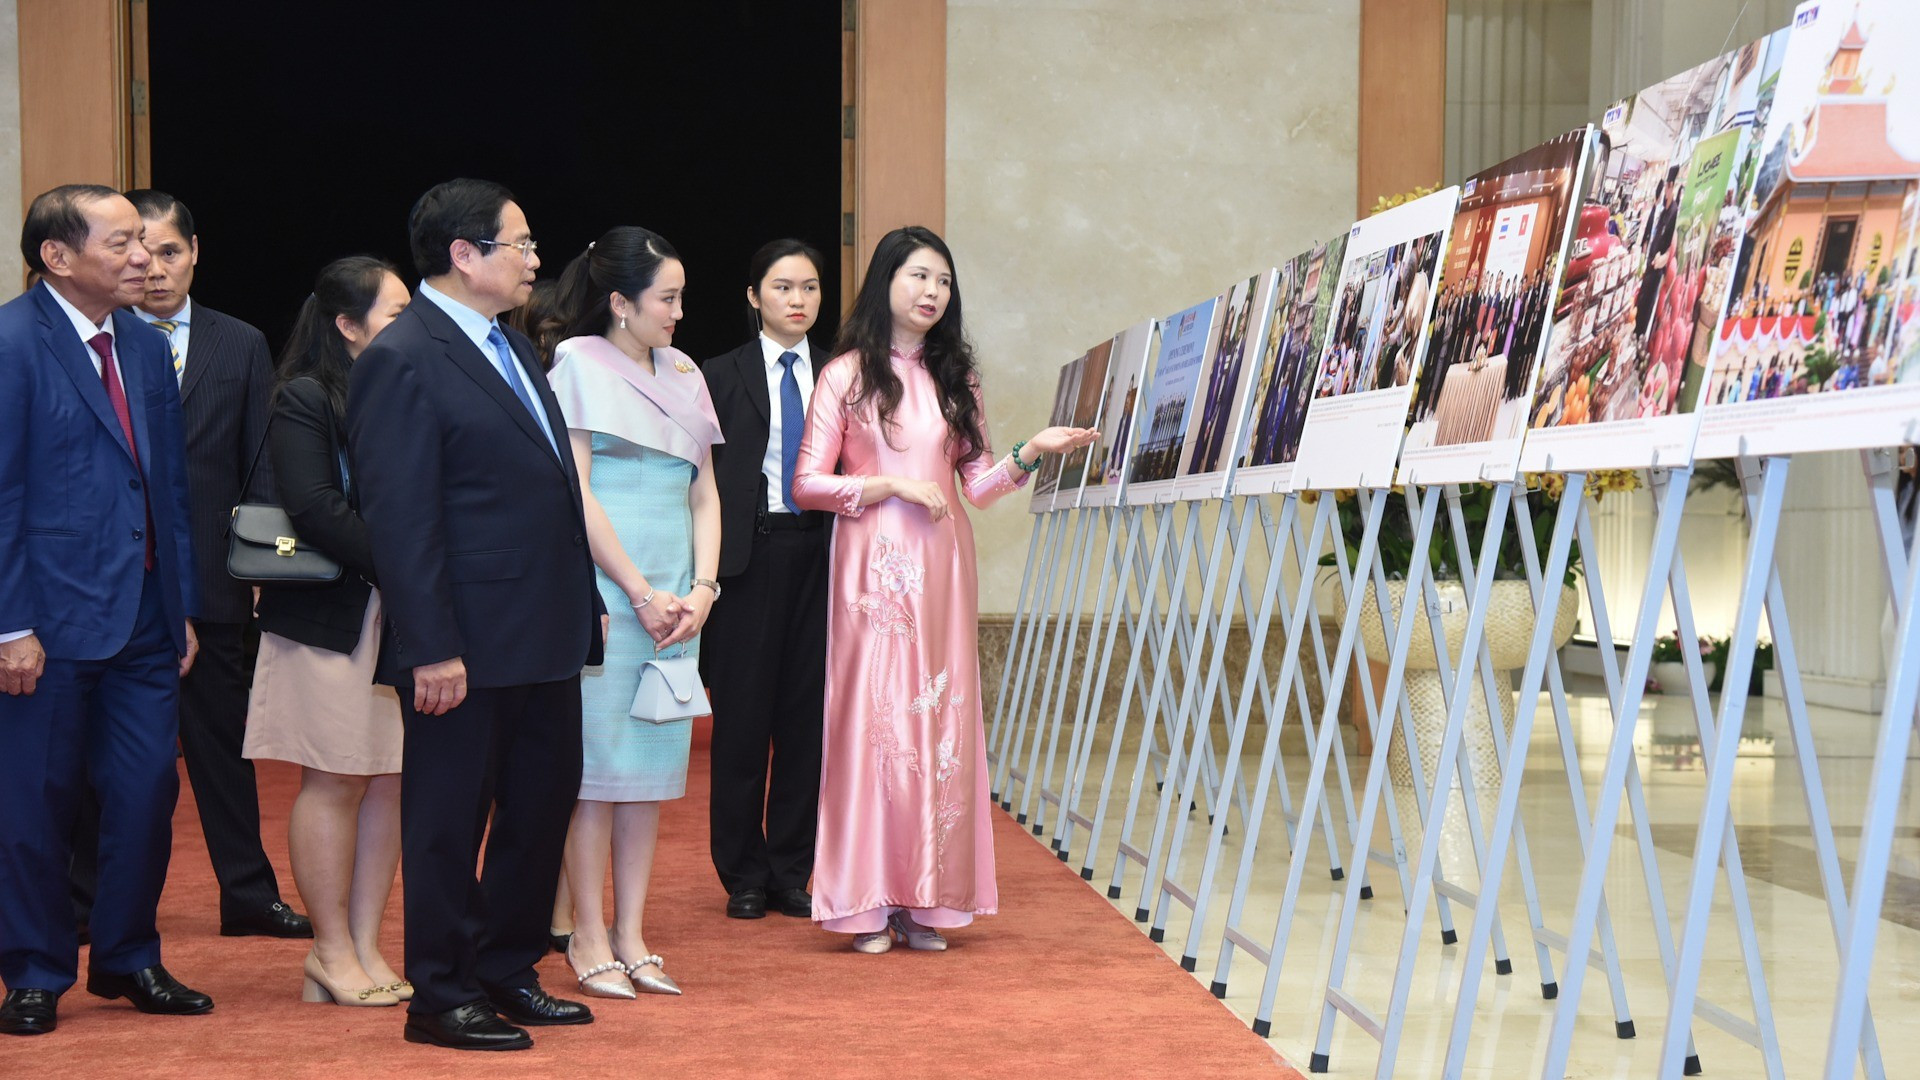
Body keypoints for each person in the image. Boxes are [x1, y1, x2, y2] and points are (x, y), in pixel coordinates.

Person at [346, 179, 605, 1051]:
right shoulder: (404, 355)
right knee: (450, 820)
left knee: (539, 809)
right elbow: (402, 519)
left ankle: (506, 967)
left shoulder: (513, 347)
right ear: (464, 254)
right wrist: (431, 647)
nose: (536, 259)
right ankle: (442, 994)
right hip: (463, 645)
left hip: (544, 633)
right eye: (520, 244)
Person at [791, 226, 1096, 953]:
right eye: (918, 276)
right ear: (886, 282)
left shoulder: (959, 378)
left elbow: (979, 487)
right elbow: (804, 485)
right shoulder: (845, 376)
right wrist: (889, 482)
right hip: (871, 573)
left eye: (944, 282)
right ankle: (867, 901)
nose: (932, 292)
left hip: (942, 569)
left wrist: (1030, 452)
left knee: (937, 726)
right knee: (875, 724)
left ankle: (926, 898)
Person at [0, 185, 209, 1036]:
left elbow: (168, 488)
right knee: (34, 803)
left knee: (144, 793)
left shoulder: (146, 346)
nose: (144, 261)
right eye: (123, 244)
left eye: (152, 247)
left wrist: (182, 604)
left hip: (147, 621)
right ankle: (36, 968)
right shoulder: (13, 344)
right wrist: (10, 625)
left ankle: (127, 957)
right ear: (58, 256)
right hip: (45, 624)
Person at [120, 189, 312, 940]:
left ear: (195, 252)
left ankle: (248, 894)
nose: (157, 269)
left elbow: (258, 464)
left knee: (223, 751)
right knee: (116, 758)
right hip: (122, 585)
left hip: (212, 581)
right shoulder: (103, 342)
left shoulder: (240, 342)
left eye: (171, 252)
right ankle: (84, 897)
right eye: (143, 253)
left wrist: (261, 565)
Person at [548, 226, 722, 998]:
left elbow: (706, 491)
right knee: (595, 772)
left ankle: (634, 933)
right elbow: (575, 489)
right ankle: (586, 934)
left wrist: (703, 590)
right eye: (667, 298)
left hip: (679, 601)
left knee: (651, 773)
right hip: (610, 595)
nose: (680, 312)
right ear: (619, 302)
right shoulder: (577, 363)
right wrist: (639, 592)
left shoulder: (685, 369)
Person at [242, 256, 412, 1007]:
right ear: (348, 326)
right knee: (336, 777)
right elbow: (311, 509)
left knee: (389, 780)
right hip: (329, 614)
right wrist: (410, 564)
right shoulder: (307, 395)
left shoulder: (405, 393)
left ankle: (368, 947)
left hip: (399, 614)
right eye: (397, 314)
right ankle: (328, 950)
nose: (414, 326)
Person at [700, 239, 831, 921]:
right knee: (744, 723)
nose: (798, 300)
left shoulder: (842, 374)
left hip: (822, 556)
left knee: (806, 724)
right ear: (754, 296)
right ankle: (742, 872)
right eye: (783, 287)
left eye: (809, 288)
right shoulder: (716, 374)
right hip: (747, 560)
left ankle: (793, 867)